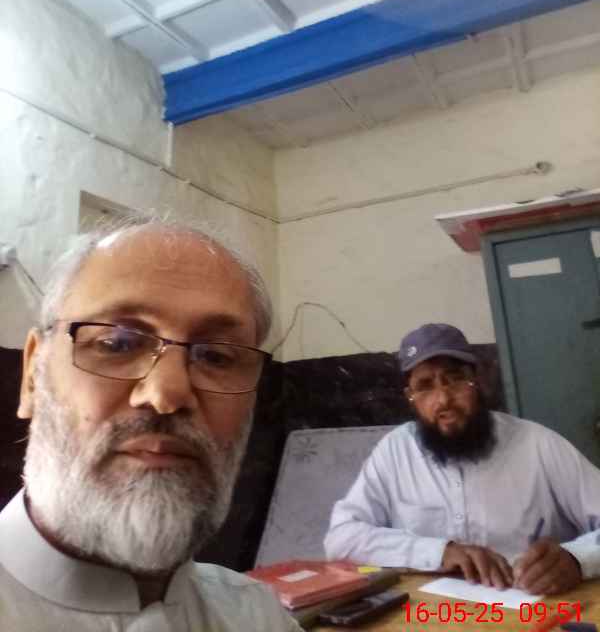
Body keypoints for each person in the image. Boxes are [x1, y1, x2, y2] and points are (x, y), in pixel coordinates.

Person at [0, 217, 301, 631]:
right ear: (33, 375)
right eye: (117, 343)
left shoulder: (259, 617)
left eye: (216, 356)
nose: (166, 393)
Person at [324, 323, 600, 595]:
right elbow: (341, 538)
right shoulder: (395, 452)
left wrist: (576, 558)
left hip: (533, 608)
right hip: (432, 615)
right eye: (425, 386)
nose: (443, 399)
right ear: (411, 397)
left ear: (478, 381)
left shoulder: (538, 445)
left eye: (454, 379)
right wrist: (439, 552)